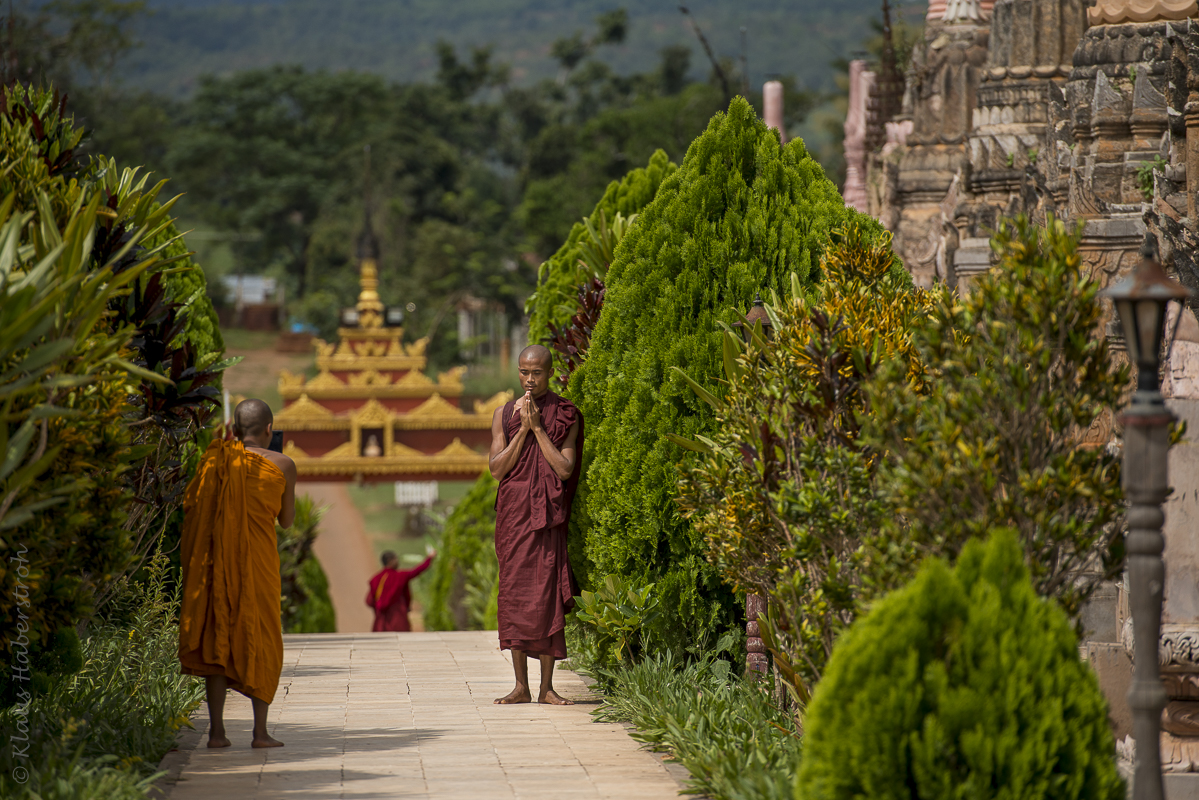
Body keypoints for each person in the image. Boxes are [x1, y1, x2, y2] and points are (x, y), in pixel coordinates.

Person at [179, 399, 296, 748]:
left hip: (216, 564)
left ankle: (217, 733)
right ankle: (260, 733)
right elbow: (287, 521)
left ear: (233, 430)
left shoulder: (214, 461)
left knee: (218, 638)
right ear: (270, 430)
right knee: (262, 637)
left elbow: (194, 513)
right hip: (258, 564)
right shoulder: (284, 464)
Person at [488, 344, 582, 705]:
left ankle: (546, 687)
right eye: (524, 372)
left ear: (550, 372)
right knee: (514, 595)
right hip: (514, 516)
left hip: (546, 517)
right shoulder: (502, 415)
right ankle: (520, 686)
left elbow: (564, 468)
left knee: (545, 597)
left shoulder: (566, 415)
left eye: (537, 373)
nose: (530, 379)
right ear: (518, 372)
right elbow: (497, 468)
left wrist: (539, 429)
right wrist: (523, 431)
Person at [366, 548, 435, 632]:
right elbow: (416, 571)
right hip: (398, 619)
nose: (398, 562)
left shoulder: (376, 579)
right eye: (396, 559)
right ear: (390, 561)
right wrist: (430, 558)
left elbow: (369, 601)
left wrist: (379, 607)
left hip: (381, 623)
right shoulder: (400, 576)